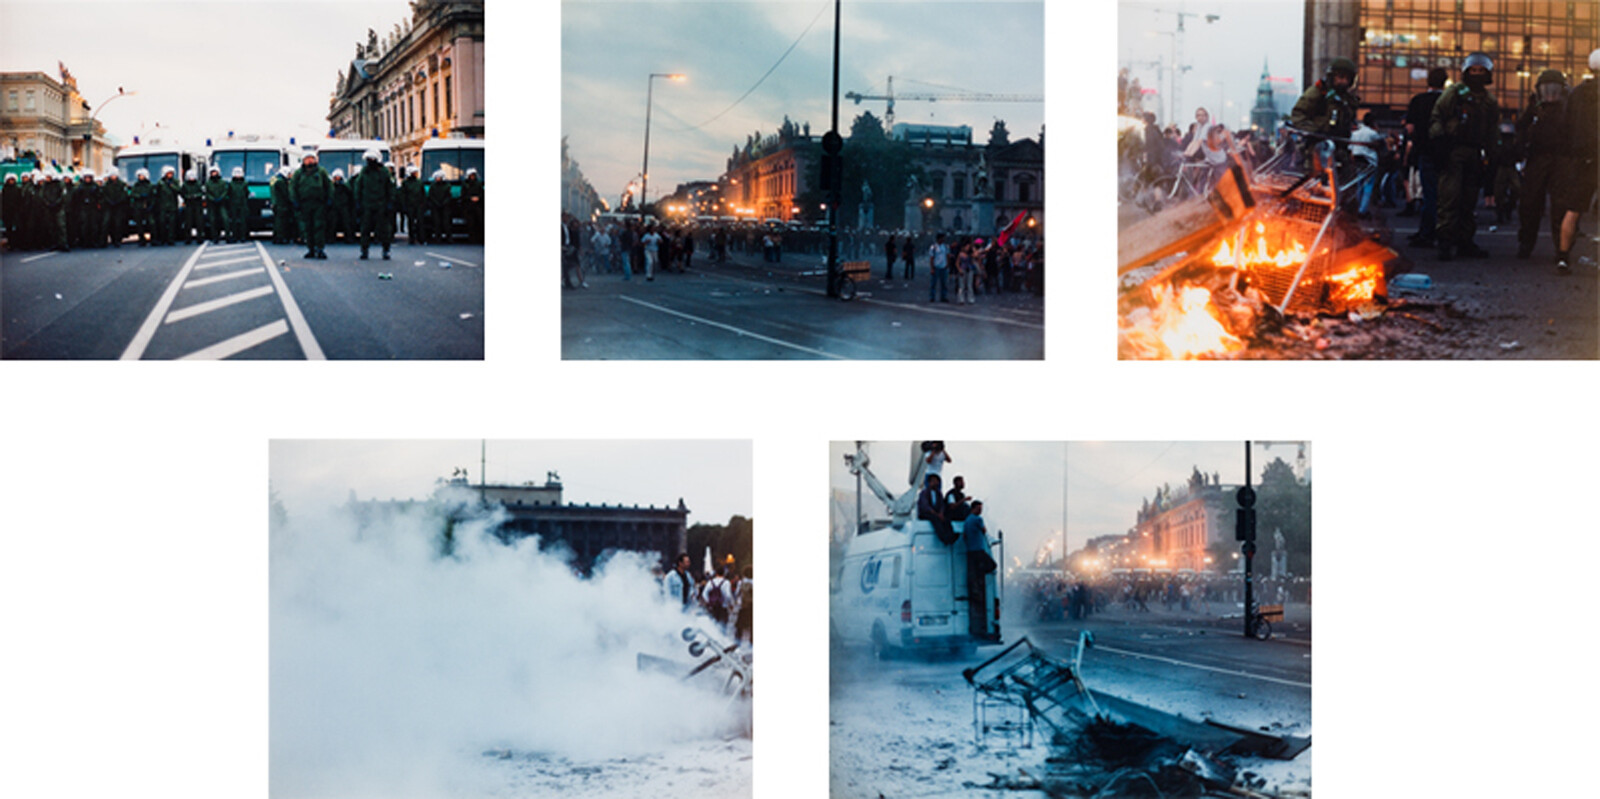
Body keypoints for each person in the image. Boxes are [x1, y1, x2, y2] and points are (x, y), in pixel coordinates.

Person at [1430, 52, 1499, 260]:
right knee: (1449, 197)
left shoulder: (1489, 101)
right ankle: (1445, 240)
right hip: (1454, 150)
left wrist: (1493, 154)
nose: (1477, 74)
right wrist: (1439, 143)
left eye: (1481, 71)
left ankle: (1465, 241)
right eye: (1473, 71)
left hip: (1475, 152)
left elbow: (1492, 130)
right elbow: (1437, 116)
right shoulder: (1454, 93)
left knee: (1469, 200)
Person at [1554, 48, 1600, 273]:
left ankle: (1563, 257)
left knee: (1573, 210)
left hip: (1581, 158)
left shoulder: (1576, 93)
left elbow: (1565, 127)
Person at [1515, 69, 1569, 259]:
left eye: (1553, 89)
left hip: (1559, 159)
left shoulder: (1566, 108)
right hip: (1539, 158)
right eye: (1547, 89)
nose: (1550, 94)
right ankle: (1527, 244)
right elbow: (1521, 129)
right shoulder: (1535, 107)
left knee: (1559, 206)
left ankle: (1561, 247)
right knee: (1530, 204)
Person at [1403, 67, 1449, 246]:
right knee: (1446, 194)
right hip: (1446, 152)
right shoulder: (1448, 101)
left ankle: (1427, 231)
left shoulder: (1418, 100)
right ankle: (1444, 230)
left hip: (1425, 151)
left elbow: (1410, 128)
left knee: (1428, 193)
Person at [963, 501, 998, 639]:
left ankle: (976, 581)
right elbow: (984, 531)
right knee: (992, 566)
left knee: (973, 574)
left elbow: (965, 536)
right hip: (978, 549)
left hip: (969, 551)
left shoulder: (966, 521)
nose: (980, 511)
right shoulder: (978, 519)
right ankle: (979, 579)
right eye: (979, 508)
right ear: (973, 508)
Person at [354, 150, 396, 260]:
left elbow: (390, 188)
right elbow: (359, 186)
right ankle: (364, 250)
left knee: (384, 229)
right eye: (368, 159)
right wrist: (358, 202)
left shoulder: (384, 172)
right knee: (365, 229)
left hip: (381, 204)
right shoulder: (364, 171)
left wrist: (390, 203)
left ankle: (386, 250)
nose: (370, 161)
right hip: (367, 205)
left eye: (372, 159)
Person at [291, 152, 333, 259]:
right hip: (305, 204)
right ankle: (310, 249)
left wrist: (329, 199)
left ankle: (320, 248)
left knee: (319, 226)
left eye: (311, 159)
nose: (309, 161)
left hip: (319, 204)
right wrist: (295, 201)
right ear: (303, 160)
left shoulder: (321, 171)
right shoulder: (299, 173)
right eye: (307, 159)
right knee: (308, 227)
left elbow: (329, 186)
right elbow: (292, 188)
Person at [917, 472, 957, 545]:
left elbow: (942, 504)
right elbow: (925, 506)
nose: (936, 483)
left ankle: (951, 537)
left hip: (937, 514)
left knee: (946, 519)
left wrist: (941, 513)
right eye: (934, 481)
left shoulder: (939, 493)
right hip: (926, 514)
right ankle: (943, 538)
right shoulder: (924, 492)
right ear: (929, 482)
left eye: (937, 481)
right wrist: (936, 514)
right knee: (936, 520)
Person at [129, 168, 156, 247]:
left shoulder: (150, 185)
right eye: (139, 176)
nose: (140, 177)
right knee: (139, 224)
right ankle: (141, 239)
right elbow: (132, 194)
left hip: (147, 206)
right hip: (138, 207)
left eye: (142, 176)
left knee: (151, 223)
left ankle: (153, 239)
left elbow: (153, 196)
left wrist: (151, 205)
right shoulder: (136, 185)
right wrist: (139, 196)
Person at [400, 165, 425, 244]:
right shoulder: (405, 183)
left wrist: (423, 204)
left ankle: (421, 238)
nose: (416, 174)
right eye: (414, 173)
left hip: (418, 205)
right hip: (409, 205)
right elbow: (403, 195)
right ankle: (411, 238)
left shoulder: (419, 182)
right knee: (410, 222)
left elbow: (422, 194)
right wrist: (404, 206)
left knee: (420, 222)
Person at [156, 166, 181, 245]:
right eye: (168, 173)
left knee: (172, 223)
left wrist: (171, 186)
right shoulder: (160, 183)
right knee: (162, 222)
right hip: (163, 206)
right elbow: (157, 193)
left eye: (171, 173)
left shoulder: (175, 181)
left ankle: (171, 238)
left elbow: (179, 190)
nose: (170, 175)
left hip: (172, 206)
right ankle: (163, 238)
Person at [204, 166, 229, 242]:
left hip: (221, 203)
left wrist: (221, 198)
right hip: (212, 204)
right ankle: (215, 237)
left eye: (215, 172)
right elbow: (207, 193)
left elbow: (225, 191)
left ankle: (227, 236)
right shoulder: (208, 183)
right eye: (212, 173)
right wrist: (212, 199)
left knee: (225, 219)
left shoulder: (223, 182)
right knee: (212, 220)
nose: (214, 174)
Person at [180, 169, 205, 244]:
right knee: (188, 222)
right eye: (190, 176)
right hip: (189, 205)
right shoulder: (185, 185)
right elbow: (182, 193)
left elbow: (202, 192)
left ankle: (200, 237)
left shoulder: (198, 184)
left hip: (197, 205)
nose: (191, 178)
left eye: (193, 176)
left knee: (199, 222)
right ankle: (188, 238)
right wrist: (187, 197)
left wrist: (196, 196)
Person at [270, 167, 294, 245]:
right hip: (281, 205)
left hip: (278, 204)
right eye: (289, 174)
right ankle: (280, 237)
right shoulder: (281, 182)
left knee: (278, 221)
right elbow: (286, 194)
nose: (290, 175)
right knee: (281, 222)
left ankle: (277, 237)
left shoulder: (276, 180)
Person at [927, 232, 950, 302]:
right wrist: (932, 268)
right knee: (933, 283)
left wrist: (947, 264)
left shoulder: (946, 247)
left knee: (944, 284)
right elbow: (931, 258)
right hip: (936, 266)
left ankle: (943, 297)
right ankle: (932, 297)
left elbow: (947, 255)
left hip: (943, 267)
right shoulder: (933, 247)